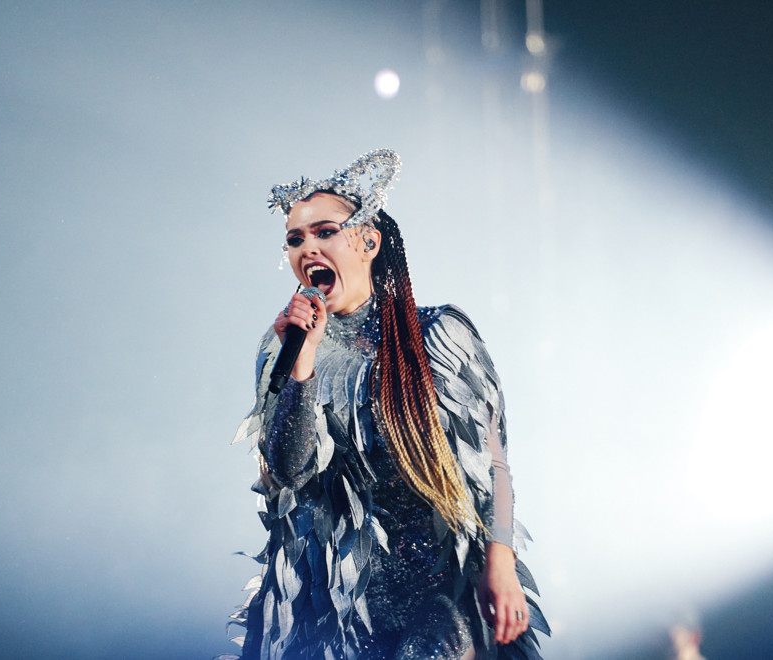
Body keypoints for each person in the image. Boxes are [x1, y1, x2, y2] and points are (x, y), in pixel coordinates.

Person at [228, 150, 548, 659]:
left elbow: (494, 465)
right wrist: (303, 362)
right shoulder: (285, 346)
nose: (308, 248)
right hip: (338, 609)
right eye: (295, 239)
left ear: (368, 242)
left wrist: (501, 560)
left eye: (324, 232)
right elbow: (288, 470)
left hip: (439, 593)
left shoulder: (439, 335)